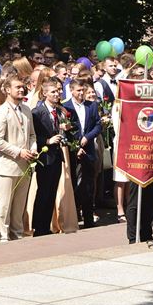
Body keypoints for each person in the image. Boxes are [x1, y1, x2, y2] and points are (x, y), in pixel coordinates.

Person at [0, 76, 37, 242]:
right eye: (17, 87)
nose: (21, 89)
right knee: (4, 204)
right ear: (7, 90)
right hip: (8, 165)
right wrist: (18, 152)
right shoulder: (0, 112)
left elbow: (31, 135)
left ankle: (17, 233)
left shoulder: (26, 110)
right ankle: (2, 236)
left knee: (19, 204)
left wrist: (33, 149)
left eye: (23, 87)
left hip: (25, 164)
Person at [30, 79, 67, 236]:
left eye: (58, 91)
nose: (57, 94)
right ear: (44, 93)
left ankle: (46, 225)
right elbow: (32, 135)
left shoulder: (59, 111)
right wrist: (47, 141)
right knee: (43, 191)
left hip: (57, 156)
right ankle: (39, 226)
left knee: (52, 191)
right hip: (44, 157)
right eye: (53, 92)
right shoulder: (37, 112)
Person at [63, 78, 101, 229]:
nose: (81, 93)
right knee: (73, 182)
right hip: (73, 150)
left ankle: (88, 218)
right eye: (78, 90)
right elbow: (68, 129)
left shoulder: (91, 106)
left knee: (88, 185)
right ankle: (74, 215)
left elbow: (98, 125)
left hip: (89, 149)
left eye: (83, 90)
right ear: (71, 90)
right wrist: (75, 144)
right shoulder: (66, 107)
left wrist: (87, 137)